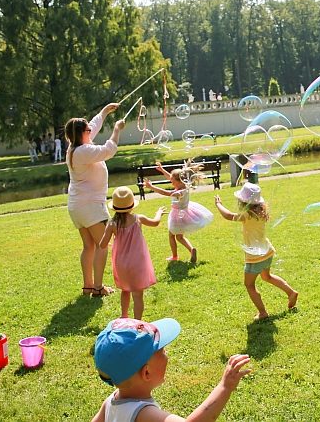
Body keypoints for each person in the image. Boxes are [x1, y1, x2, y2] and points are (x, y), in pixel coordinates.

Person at [92, 317, 251, 422]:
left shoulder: (111, 402)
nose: (166, 353)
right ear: (146, 373)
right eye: (162, 351)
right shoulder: (143, 413)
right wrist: (224, 386)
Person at [65, 102, 125, 297]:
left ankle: (88, 286)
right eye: (87, 130)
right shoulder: (84, 151)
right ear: (81, 133)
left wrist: (105, 111)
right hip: (90, 206)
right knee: (102, 245)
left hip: (77, 207)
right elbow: (109, 150)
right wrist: (116, 129)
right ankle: (98, 288)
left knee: (89, 246)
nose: (91, 131)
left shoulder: (76, 147)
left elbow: (94, 123)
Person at [214, 182, 298, 321]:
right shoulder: (261, 212)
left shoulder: (247, 215)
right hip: (267, 252)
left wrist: (218, 204)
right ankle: (291, 292)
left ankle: (263, 312)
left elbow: (229, 216)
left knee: (249, 285)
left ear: (243, 201)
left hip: (255, 257)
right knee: (267, 277)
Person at [99, 186, 165, 320]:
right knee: (138, 295)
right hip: (138, 263)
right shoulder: (138, 218)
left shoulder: (112, 223)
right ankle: (137, 322)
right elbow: (155, 222)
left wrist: (112, 237)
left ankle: (124, 316)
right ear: (132, 206)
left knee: (125, 290)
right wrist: (159, 212)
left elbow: (102, 245)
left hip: (121, 264)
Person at [143, 161, 213, 263]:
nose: (171, 182)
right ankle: (191, 250)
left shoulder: (179, 192)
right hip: (185, 214)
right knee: (179, 237)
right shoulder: (184, 186)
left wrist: (151, 187)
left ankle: (174, 256)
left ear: (179, 181)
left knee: (172, 235)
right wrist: (162, 170)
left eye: (172, 181)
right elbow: (171, 177)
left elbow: (165, 192)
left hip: (177, 216)